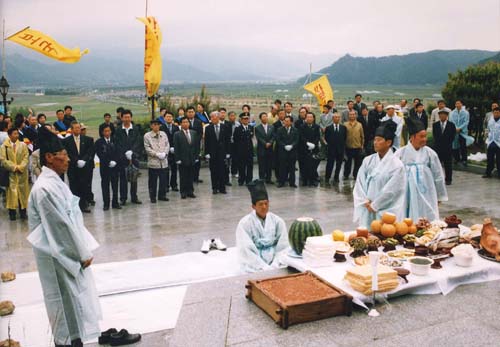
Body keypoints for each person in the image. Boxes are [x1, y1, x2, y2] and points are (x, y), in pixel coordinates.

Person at [27, 126, 102, 347]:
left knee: (75, 302)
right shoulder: (44, 189)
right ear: (50, 158)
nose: (68, 159)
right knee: (62, 301)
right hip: (58, 256)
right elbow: (60, 228)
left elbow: (72, 220)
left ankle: (75, 338)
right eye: (64, 155)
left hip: (68, 253)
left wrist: (83, 247)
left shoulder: (56, 183)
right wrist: (80, 253)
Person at [353, 121, 406, 228]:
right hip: (367, 206)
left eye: (379, 140)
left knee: (386, 234)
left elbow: (392, 190)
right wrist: (364, 200)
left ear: (388, 142)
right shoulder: (368, 160)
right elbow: (360, 182)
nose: (375, 143)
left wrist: (376, 205)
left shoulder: (397, 165)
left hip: (386, 209)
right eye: (375, 140)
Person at [395, 117, 448, 222]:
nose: (425, 139)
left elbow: (438, 175)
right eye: (421, 136)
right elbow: (393, 176)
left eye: (425, 136)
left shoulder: (430, 154)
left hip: (426, 191)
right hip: (406, 192)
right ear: (412, 137)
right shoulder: (400, 153)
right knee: (406, 217)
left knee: (427, 215)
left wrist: (440, 195)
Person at [236, 180, 288, 273]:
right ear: (253, 206)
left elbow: (283, 246)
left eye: (266, 203)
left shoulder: (277, 221)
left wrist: (275, 264)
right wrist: (263, 267)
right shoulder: (244, 224)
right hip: (254, 263)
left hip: (275, 262)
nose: (264, 207)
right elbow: (246, 249)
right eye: (260, 204)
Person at [63, 122, 95, 213]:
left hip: (84, 167)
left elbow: (90, 152)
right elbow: (67, 153)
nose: (77, 130)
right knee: (74, 186)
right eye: (75, 128)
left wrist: (84, 160)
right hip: (73, 167)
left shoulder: (88, 139)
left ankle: (83, 205)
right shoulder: (66, 141)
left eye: (79, 128)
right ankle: (75, 206)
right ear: (72, 130)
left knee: (84, 186)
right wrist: (76, 161)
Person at [0, 128, 30, 221]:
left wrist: (21, 167)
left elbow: (26, 157)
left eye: (17, 133)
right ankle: (12, 213)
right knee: (11, 194)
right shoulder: (4, 147)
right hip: (11, 174)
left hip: (22, 174)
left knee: (23, 193)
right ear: (9, 135)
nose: (17, 135)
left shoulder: (23, 145)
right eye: (14, 133)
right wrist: (14, 167)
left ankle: (23, 212)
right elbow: (3, 160)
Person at [115, 109, 143, 205]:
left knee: (134, 178)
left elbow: (138, 142)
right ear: (121, 118)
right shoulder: (118, 130)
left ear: (131, 118)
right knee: (123, 178)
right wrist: (124, 153)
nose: (127, 119)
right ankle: (123, 198)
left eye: (128, 117)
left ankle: (134, 197)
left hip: (134, 157)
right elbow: (117, 143)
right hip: (123, 158)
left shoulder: (136, 129)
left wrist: (132, 152)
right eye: (125, 117)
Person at [95, 124, 121, 210]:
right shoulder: (99, 142)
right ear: (102, 132)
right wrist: (108, 162)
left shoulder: (115, 140)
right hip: (105, 167)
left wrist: (115, 161)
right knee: (105, 185)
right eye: (105, 131)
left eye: (109, 131)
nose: (107, 133)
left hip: (115, 167)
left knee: (115, 184)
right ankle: (106, 203)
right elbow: (100, 154)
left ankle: (115, 202)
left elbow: (118, 151)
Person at [144, 119, 170, 203]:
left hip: (163, 162)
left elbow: (167, 145)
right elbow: (147, 148)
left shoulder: (163, 134)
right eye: (154, 124)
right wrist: (157, 154)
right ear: (151, 126)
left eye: (157, 124)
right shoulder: (147, 136)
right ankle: (152, 197)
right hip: (153, 162)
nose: (156, 126)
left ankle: (162, 195)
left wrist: (165, 153)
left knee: (163, 180)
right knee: (152, 181)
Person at [174, 117, 200, 199]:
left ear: (189, 123)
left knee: (191, 176)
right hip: (182, 159)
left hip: (192, 158)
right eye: (183, 122)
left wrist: (196, 156)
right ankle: (183, 192)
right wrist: (177, 159)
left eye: (187, 122)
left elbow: (196, 146)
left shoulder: (193, 133)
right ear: (181, 124)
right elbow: (176, 147)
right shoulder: (177, 134)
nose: (185, 123)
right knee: (183, 176)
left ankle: (190, 191)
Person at [204, 111, 230, 194]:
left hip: (222, 153)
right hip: (212, 153)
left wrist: (228, 152)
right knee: (214, 171)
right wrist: (207, 153)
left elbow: (227, 141)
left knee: (222, 171)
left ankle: (222, 188)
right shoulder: (208, 128)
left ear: (218, 118)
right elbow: (206, 142)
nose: (213, 119)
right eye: (211, 118)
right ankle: (214, 188)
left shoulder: (224, 127)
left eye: (214, 117)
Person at [432, 109, 456, 185]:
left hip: (447, 147)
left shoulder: (451, 125)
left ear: (446, 116)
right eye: (440, 115)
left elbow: (452, 136)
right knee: (437, 165)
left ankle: (448, 179)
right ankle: (437, 179)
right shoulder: (435, 125)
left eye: (444, 115)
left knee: (448, 165)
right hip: (438, 148)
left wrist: (447, 144)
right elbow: (435, 136)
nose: (442, 116)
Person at [298, 111, 321, 186]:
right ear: (306, 118)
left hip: (314, 148)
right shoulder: (302, 126)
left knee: (313, 165)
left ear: (313, 118)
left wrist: (314, 144)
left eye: (311, 117)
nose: (309, 118)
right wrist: (307, 143)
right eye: (308, 117)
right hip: (304, 148)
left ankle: (312, 180)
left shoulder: (316, 126)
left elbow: (318, 136)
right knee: (304, 165)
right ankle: (304, 181)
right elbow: (301, 136)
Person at [276, 115, 299, 188]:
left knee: (292, 168)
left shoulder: (295, 130)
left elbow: (297, 140)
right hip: (283, 151)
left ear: (291, 122)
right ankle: (281, 182)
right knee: (282, 167)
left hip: (292, 152)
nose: (285, 122)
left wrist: (292, 145)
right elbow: (278, 140)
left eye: (287, 121)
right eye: (284, 121)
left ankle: (292, 183)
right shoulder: (280, 129)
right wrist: (284, 146)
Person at [324, 113, 346, 185]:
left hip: (340, 149)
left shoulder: (343, 128)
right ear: (333, 119)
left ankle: (336, 177)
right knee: (330, 164)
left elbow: (344, 138)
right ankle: (327, 177)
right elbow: (326, 138)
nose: (337, 119)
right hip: (331, 149)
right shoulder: (328, 128)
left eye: (338, 117)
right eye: (335, 117)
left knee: (339, 164)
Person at [233, 113, 254, 186]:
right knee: (241, 166)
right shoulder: (238, 129)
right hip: (241, 151)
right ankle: (241, 179)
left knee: (250, 166)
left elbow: (251, 137)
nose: (246, 120)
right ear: (241, 120)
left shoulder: (251, 127)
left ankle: (249, 180)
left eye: (247, 118)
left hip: (249, 150)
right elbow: (236, 140)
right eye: (244, 119)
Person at [450, 100, 473, 166]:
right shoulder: (452, 113)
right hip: (455, 131)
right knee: (455, 146)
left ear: (461, 104)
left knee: (463, 146)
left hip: (463, 131)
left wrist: (460, 128)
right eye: (456, 103)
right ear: (455, 105)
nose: (457, 105)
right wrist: (456, 128)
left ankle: (464, 160)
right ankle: (457, 159)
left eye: (459, 103)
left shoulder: (466, 112)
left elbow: (466, 122)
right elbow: (451, 121)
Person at [161, 112, 179, 192]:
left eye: (170, 116)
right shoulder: (161, 127)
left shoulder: (176, 127)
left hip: (175, 151)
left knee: (174, 169)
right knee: (166, 169)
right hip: (165, 151)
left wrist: (175, 148)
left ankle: (174, 185)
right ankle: (166, 186)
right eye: (167, 117)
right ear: (164, 118)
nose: (169, 118)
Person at [255, 111, 275, 184]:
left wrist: (270, 142)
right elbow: (259, 138)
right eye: (263, 116)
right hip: (262, 149)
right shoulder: (257, 128)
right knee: (262, 165)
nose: (265, 118)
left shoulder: (271, 127)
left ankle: (268, 179)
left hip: (269, 149)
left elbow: (273, 136)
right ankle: (262, 179)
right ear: (260, 118)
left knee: (269, 165)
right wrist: (265, 143)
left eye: (266, 116)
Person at [344, 110, 364, 179]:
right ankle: (346, 175)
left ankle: (356, 175)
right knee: (347, 163)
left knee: (357, 163)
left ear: (355, 115)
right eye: (350, 115)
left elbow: (362, 136)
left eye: (353, 114)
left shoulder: (359, 124)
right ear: (348, 116)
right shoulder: (345, 124)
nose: (352, 116)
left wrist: (362, 145)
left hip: (357, 147)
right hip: (348, 147)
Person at [186, 106, 204, 183]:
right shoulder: (184, 121)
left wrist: (195, 140)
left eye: (192, 112)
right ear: (187, 113)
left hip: (196, 144)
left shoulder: (198, 122)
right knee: (188, 162)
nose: (190, 113)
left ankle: (196, 177)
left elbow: (200, 133)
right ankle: (189, 177)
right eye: (189, 112)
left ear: (194, 112)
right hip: (186, 145)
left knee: (197, 162)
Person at [483, 107, 500, 179]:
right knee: (490, 159)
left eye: (497, 112)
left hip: (498, 142)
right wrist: (486, 137)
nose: (496, 114)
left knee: (499, 159)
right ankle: (488, 173)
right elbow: (487, 129)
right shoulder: (490, 120)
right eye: (494, 112)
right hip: (490, 141)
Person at [226, 111, 240, 180]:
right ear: (228, 117)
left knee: (235, 158)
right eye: (231, 116)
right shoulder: (226, 124)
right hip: (228, 143)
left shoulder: (238, 124)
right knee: (228, 158)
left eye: (234, 116)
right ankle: (227, 173)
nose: (233, 117)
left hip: (235, 143)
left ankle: (234, 172)